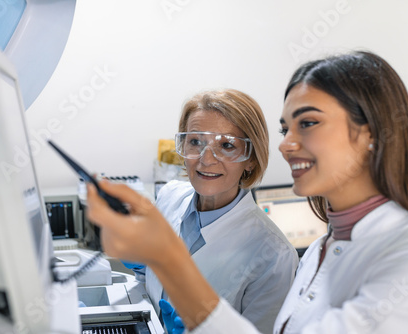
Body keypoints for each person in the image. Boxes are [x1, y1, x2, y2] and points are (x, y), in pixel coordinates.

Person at [86, 51, 408, 334]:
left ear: (370, 134)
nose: (287, 145)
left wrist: (169, 261)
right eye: (285, 128)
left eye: (307, 123)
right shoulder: (321, 252)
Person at [125, 89, 299, 334]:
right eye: (196, 142)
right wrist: (143, 266)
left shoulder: (274, 256)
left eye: (227, 145)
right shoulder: (169, 196)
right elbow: (151, 288)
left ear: (251, 159)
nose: (206, 159)